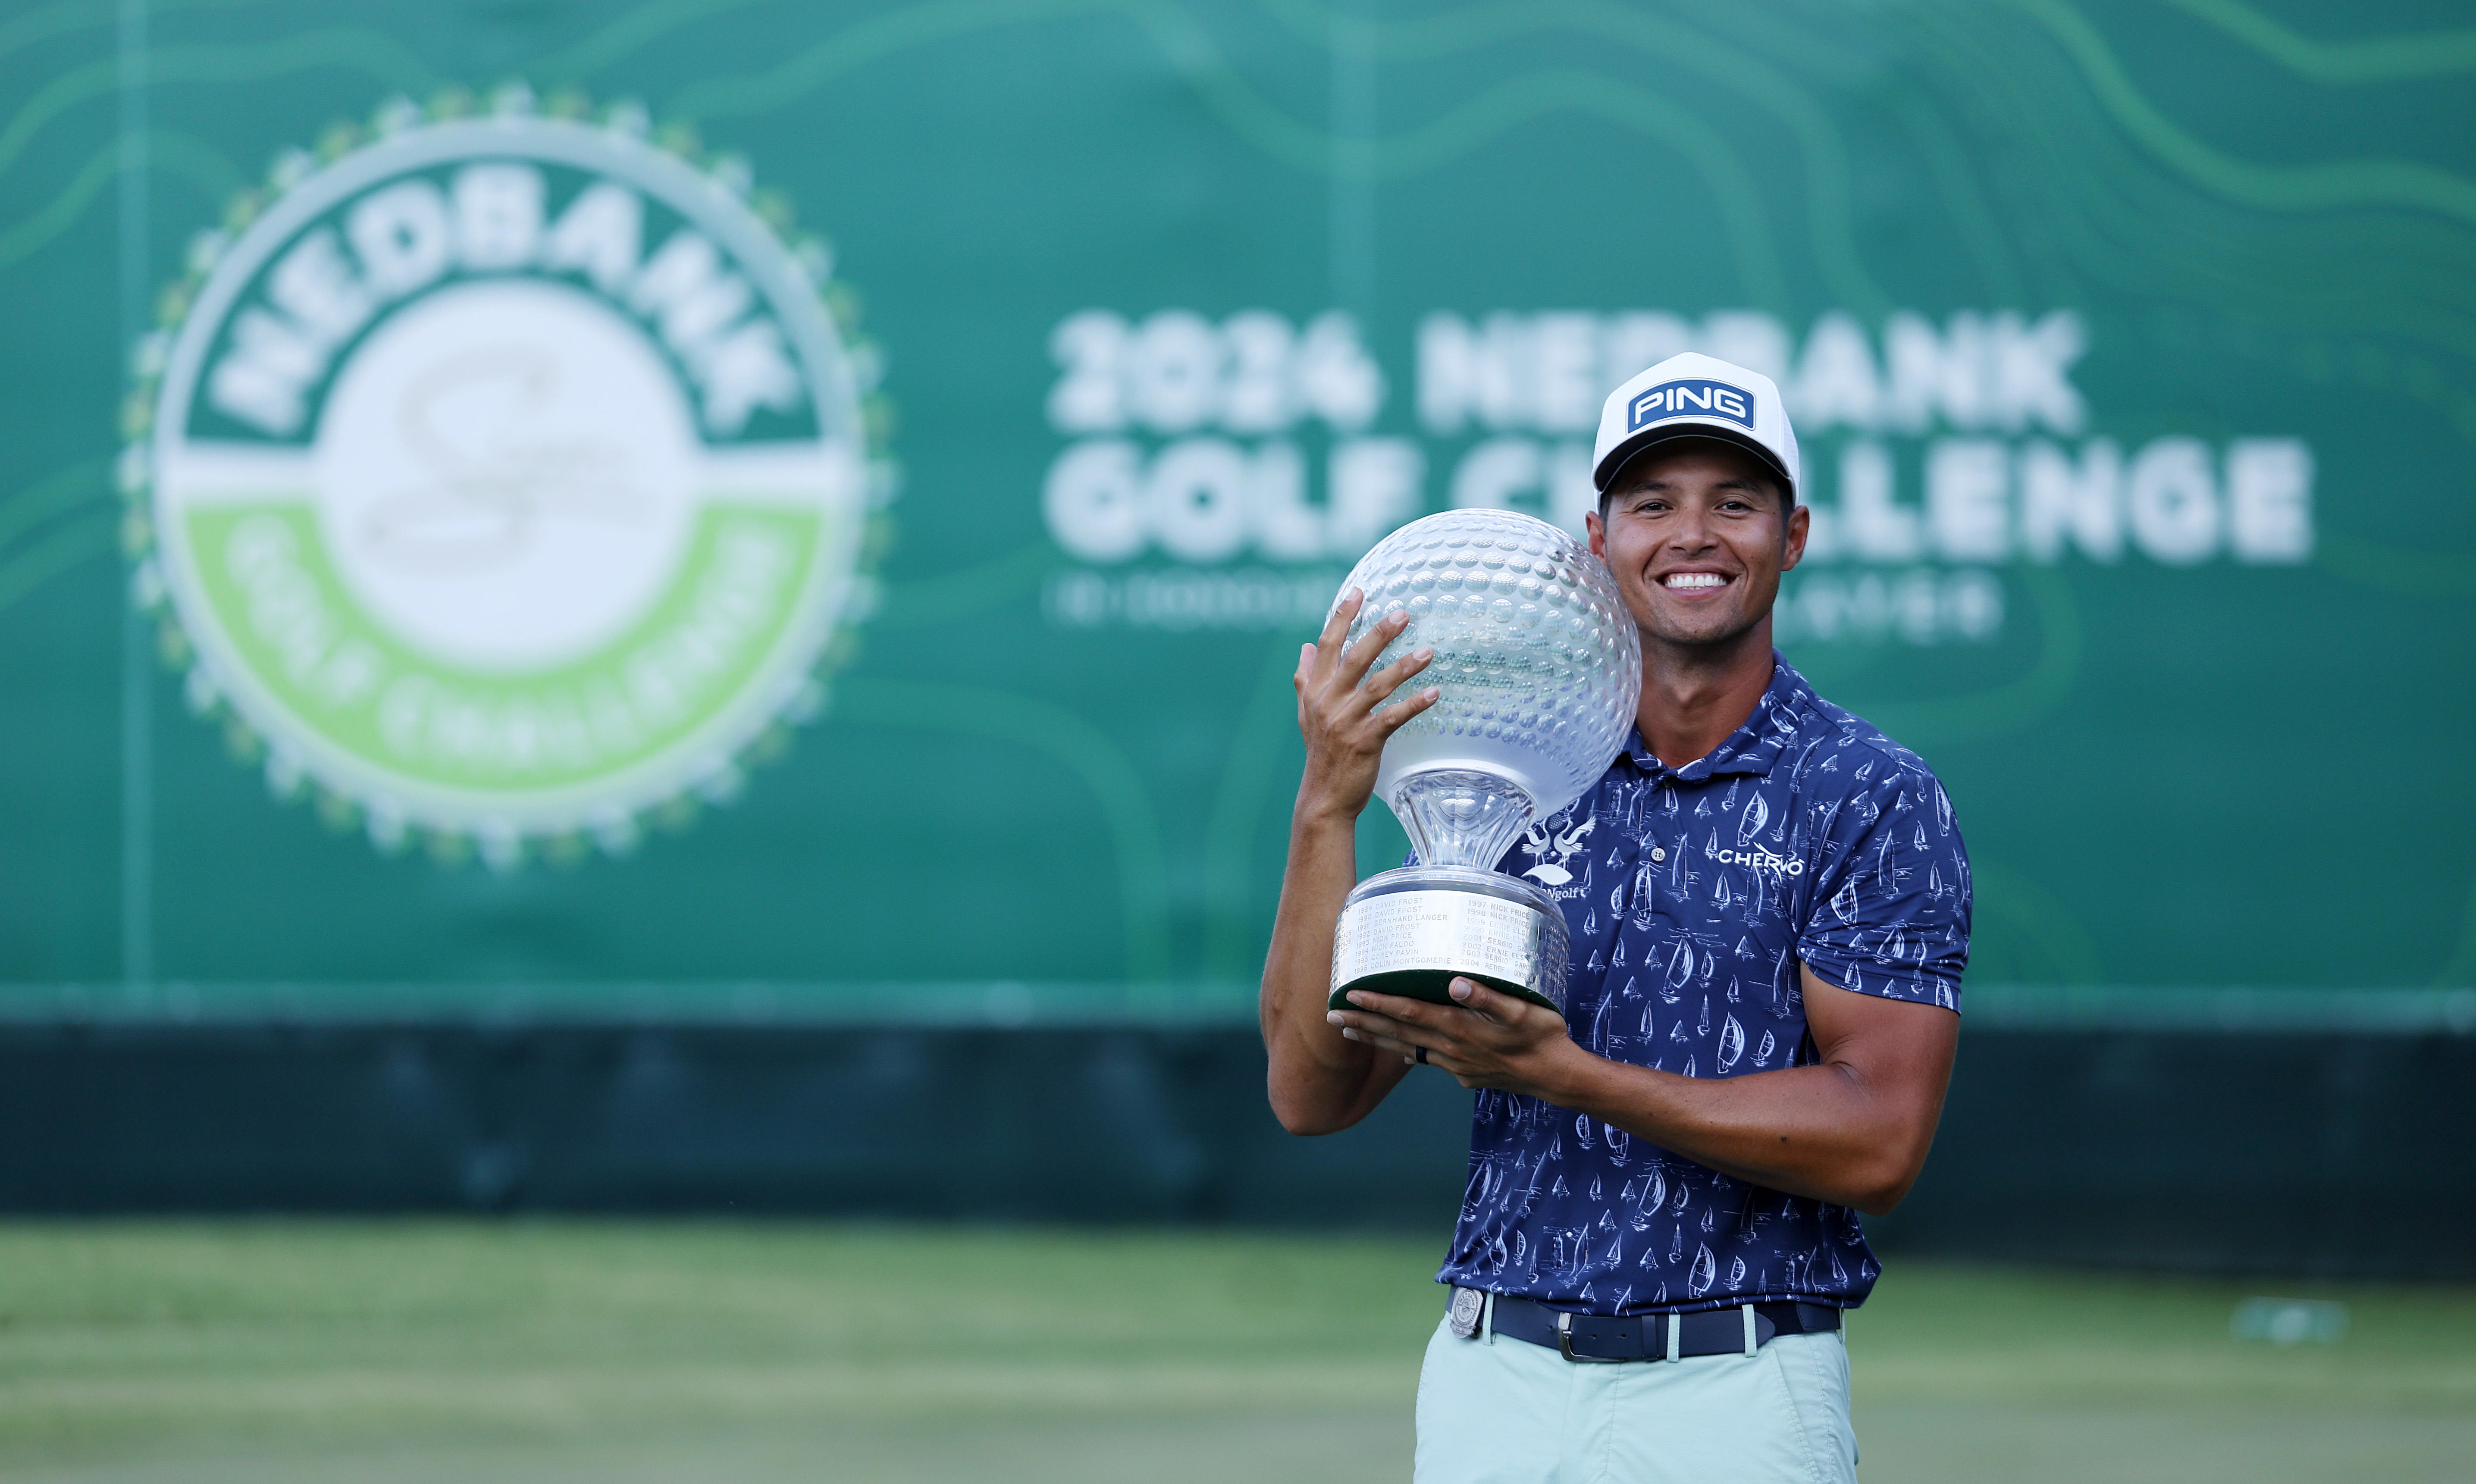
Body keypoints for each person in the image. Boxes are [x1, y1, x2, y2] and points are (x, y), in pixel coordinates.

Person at [1260, 351, 1969, 1484]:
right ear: (1597, 540)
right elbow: (1311, 1092)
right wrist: (1327, 803)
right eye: (1653, 503)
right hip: (1496, 1378)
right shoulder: (1510, 766)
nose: (1693, 533)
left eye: (1734, 502)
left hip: (1740, 1385)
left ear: (1792, 536)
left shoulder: (1867, 792)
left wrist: (1569, 1072)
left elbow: (1880, 1138)